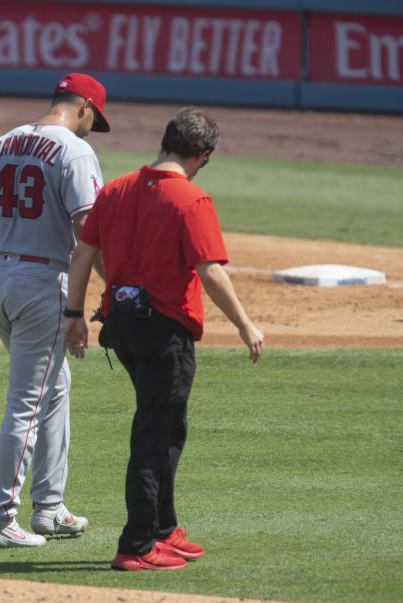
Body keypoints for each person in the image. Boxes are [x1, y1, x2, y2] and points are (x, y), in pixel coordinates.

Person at [63, 107, 264, 571]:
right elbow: (209, 272)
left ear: (166, 141)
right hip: (164, 331)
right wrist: (244, 324)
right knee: (155, 433)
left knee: (168, 427)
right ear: (203, 155)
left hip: (123, 326)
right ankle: (136, 545)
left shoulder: (114, 190)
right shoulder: (190, 200)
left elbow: (82, 255)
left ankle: (162, 527)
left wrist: (75, 313)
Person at [0, 73, 109, 548]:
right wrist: (113, 288)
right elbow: (88, 230)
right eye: (93, 118)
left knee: (54, 386)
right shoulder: (74, 152)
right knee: (28, 401)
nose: (90, 129)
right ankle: (0, 518)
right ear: (82, 105)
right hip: (41, 286)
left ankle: (50, 507)